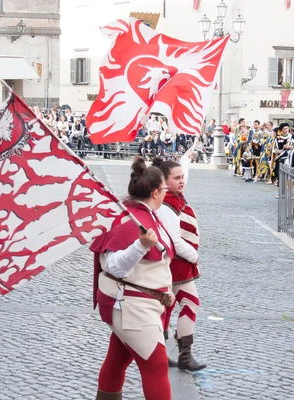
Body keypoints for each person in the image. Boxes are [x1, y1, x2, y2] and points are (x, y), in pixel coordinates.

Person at [90, 156, 175, 400]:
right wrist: (140, 245)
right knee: (156, 366)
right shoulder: (130, 221)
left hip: (138, 302)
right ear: (157, 192)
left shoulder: (144, 214)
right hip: (131, 305)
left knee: (117, 359)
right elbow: (115, 267)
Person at [152, 152, 207, 372]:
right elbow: (173, 240)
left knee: (167, 307)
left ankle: (163, 354)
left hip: (178, 263)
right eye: (176, 178)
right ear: (164, 182)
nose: (182, 181)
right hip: (178, 263)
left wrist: (186, 161)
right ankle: (184, 355)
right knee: (189, 303)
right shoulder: (167, 205)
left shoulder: (171, 199)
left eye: (183, 176)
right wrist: (193, 255)